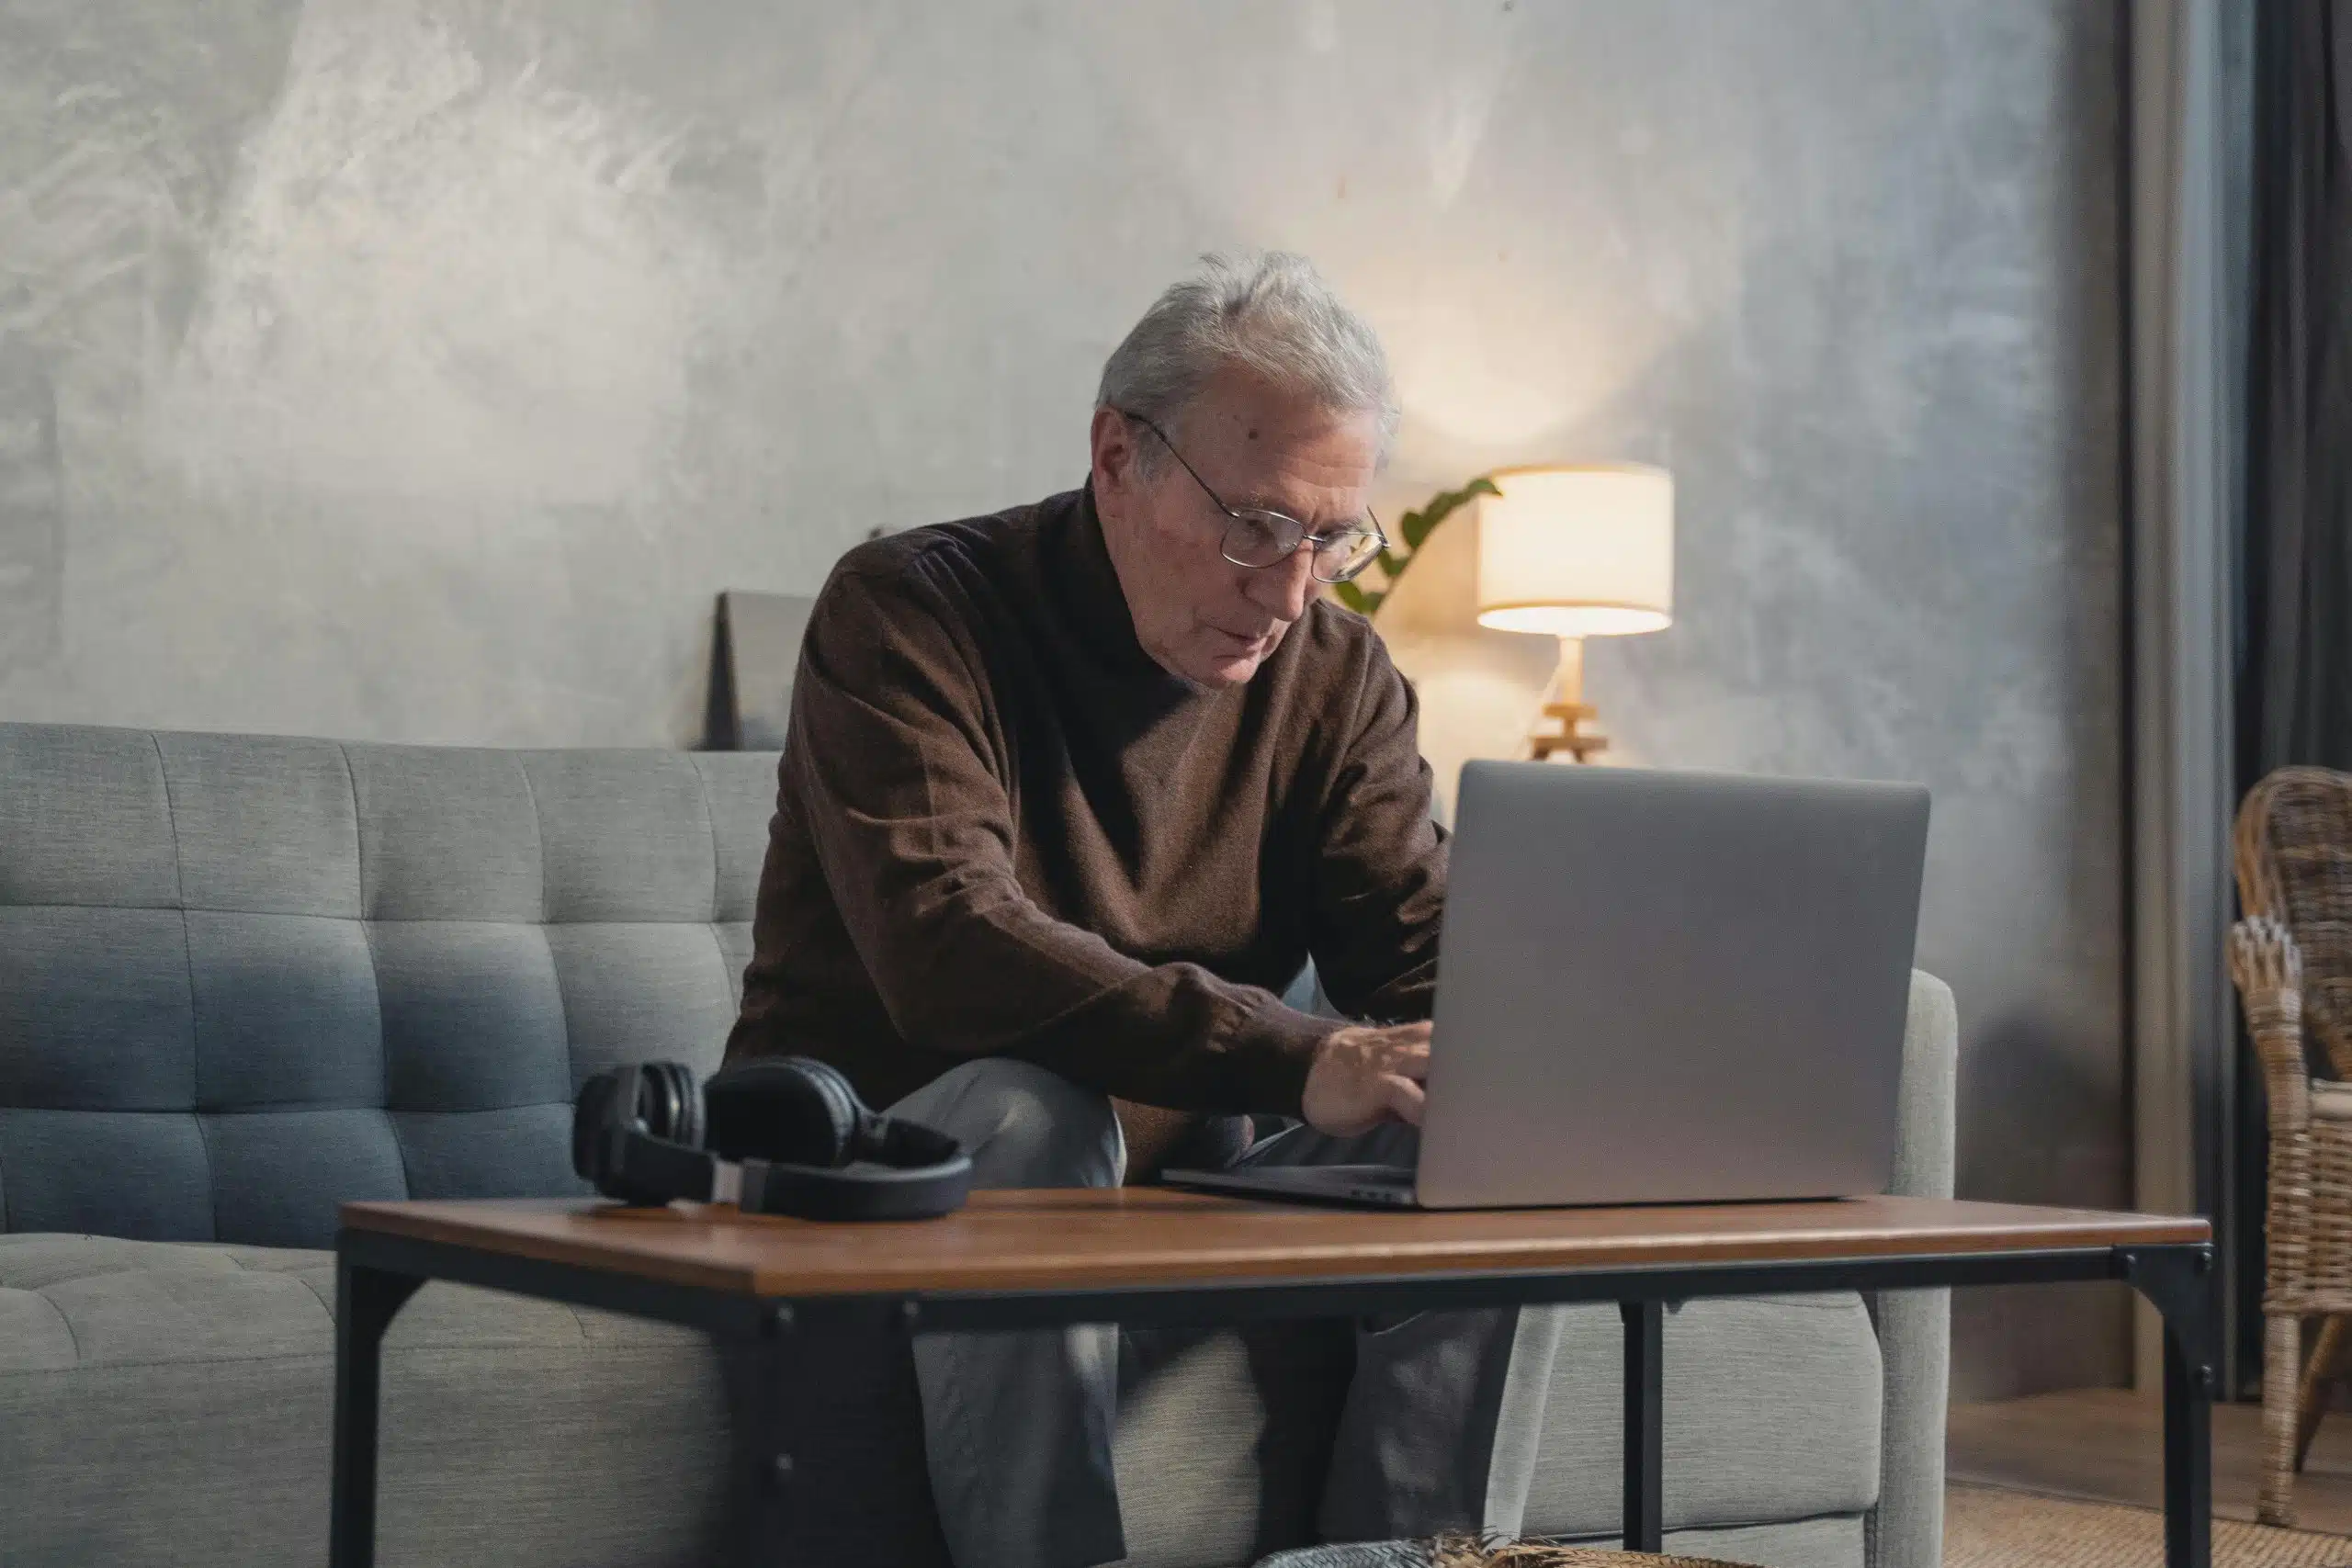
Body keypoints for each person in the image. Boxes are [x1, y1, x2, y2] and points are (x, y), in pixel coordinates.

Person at [722, 251, 1559, 1568]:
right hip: (871, 1168)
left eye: (1333, 538)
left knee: (1458, 1132)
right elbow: (946, 948)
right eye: (1256, 526)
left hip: (1175, 1190)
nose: (1288, 590)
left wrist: (1566, 1039)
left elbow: (1415, 948)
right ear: (1120, 456)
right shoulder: (909, 610)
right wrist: (1301, 1054)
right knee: (1029, 1104)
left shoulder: (1334, 672)